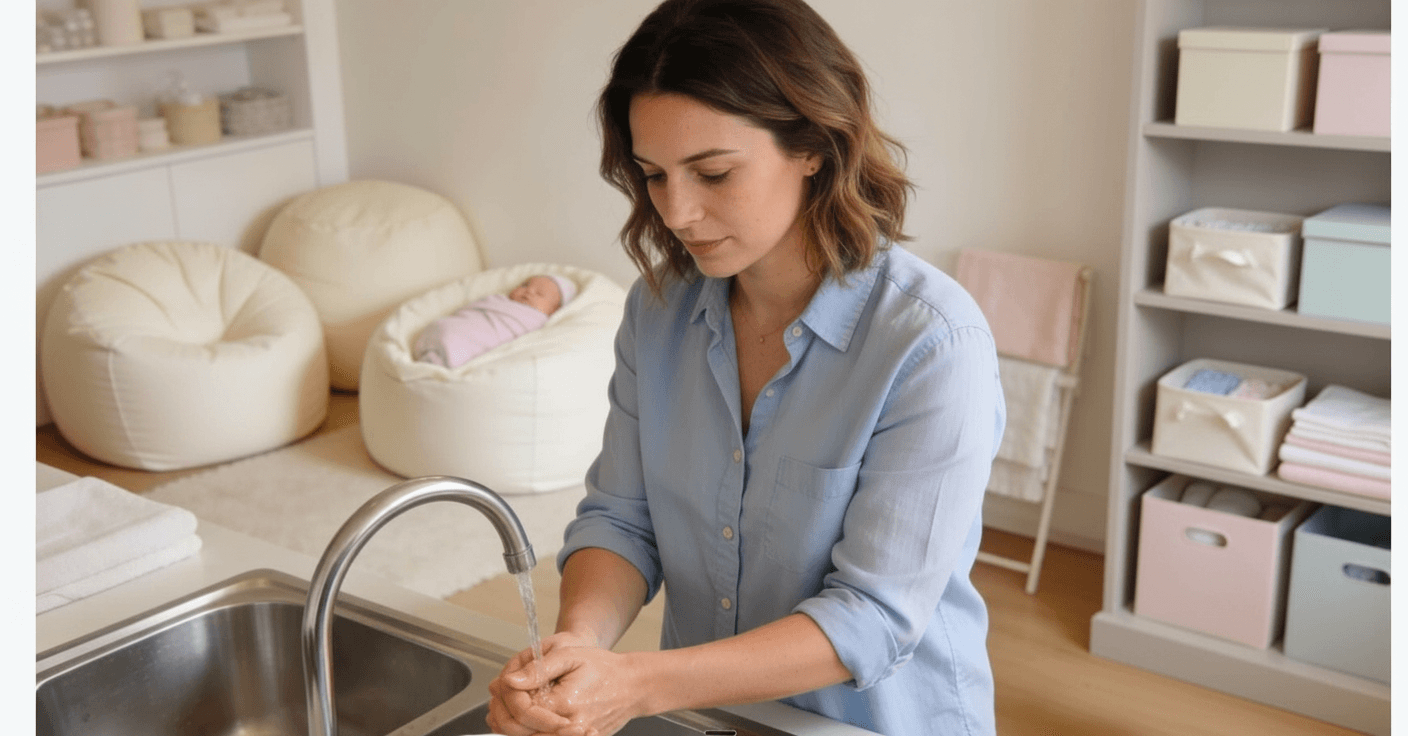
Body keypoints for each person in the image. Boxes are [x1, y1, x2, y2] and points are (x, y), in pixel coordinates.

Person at [487, 1, 1004, 734]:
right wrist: (577, 650)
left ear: (813, 146)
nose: (676, 212)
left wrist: (636, 684)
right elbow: (622, 520)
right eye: (654, 175)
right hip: (706, 716)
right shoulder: (659, 311)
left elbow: (874, 616)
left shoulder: (931, 344)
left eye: (714, 173)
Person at [412, 274, 577, 368]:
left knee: (457, 345)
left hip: (470, 342)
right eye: (525, 285)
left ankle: (440, 358)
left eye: (540, 294)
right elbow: (470, 312)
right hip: (453, 328)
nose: (529, 292)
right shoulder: (498, 301)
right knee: (450, 332)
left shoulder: (538, 322)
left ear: (554, 310)